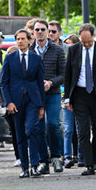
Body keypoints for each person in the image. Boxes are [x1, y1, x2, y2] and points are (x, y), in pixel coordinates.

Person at [64, 23, 96, 175]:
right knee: (83, 131)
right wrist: (67, 98)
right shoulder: (73, 50)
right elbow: (68, 75)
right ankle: (88, 164)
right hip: (79, 95)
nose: (86, 45)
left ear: (94, 36)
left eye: (88, 42)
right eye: (83, 42)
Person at [1, 29, 45, 178]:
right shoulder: (10, 58)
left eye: (22, 39)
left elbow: (40, 83)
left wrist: (41, 106)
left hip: (33, 100)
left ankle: (35, 166)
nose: (20, 41)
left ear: (29, 41)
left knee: (31, 130)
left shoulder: (36, 58)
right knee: (19, 135)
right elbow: (4, 83)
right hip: (16, 102)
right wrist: (9, 102)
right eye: (18, 39)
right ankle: (25, 168)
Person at [29, 19, 66, 174]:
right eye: (36, 29)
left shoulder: (57, 50)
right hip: (35, 96)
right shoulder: (29, 51)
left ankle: (57, 157)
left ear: (47, 31)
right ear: (33, 32)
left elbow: (64, 74)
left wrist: (50, 83)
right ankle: (44, 161)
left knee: (53, 124)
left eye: (43, 29)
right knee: (39, 127)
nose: (40, 32)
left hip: (53, 93)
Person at [61, 34, 83, 168]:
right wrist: (66, 99)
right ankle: (67, 156)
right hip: (66, 99)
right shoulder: (64, 63)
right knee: (68, 129)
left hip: (79, 100)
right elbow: (64, 83)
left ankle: (81, 155)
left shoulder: (80, 62)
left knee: (80, 129)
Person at [0, 45, 20, 167]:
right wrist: (5, 104)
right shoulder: (3, 71)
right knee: (15, 132)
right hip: (9, 107)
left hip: (22, 105)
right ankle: (18, 156)